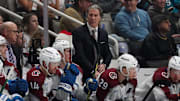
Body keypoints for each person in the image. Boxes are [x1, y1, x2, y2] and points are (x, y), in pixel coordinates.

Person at [72, 4, 112, 83]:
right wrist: (93, 71)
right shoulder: (78, 32)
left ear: (100, 17)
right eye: (91, 15)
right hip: (82, 72)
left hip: (97, 73)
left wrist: (104, 65)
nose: (93, 18)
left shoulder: (103, 33)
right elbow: (80, 55)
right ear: (87, 16)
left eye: (95, 15)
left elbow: (108, 54)